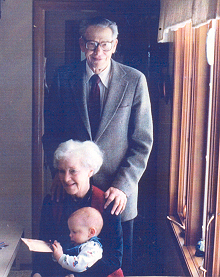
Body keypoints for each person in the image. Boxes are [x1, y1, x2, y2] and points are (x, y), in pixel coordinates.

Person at [43, 16, 153, 275]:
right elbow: (51, 136)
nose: (98, 51)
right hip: (74, 193)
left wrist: (124, 187)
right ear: (82, 45)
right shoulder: (62, 78)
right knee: (70, 263)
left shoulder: (135, 80)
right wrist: (60, 175)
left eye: (105, 44)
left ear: (115, 45)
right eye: (92, 44)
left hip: (117, 197)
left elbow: (142, 143)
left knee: (115, 266)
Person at [32, 140, 124, 277]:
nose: (66, 178)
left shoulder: (107, 204)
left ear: (90, 171)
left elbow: (114, 258)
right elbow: (44, 246)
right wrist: (38, 273)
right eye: (62, 171)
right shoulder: (51, 202)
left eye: (73, 171)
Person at [52, 207, 103, 274]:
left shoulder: (93, 248)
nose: (70, 235)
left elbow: (78, 265)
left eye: (74, 231)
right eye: (70, 231)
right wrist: (56, 253)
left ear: (91, 232)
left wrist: (60, 257)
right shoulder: (79, 243)